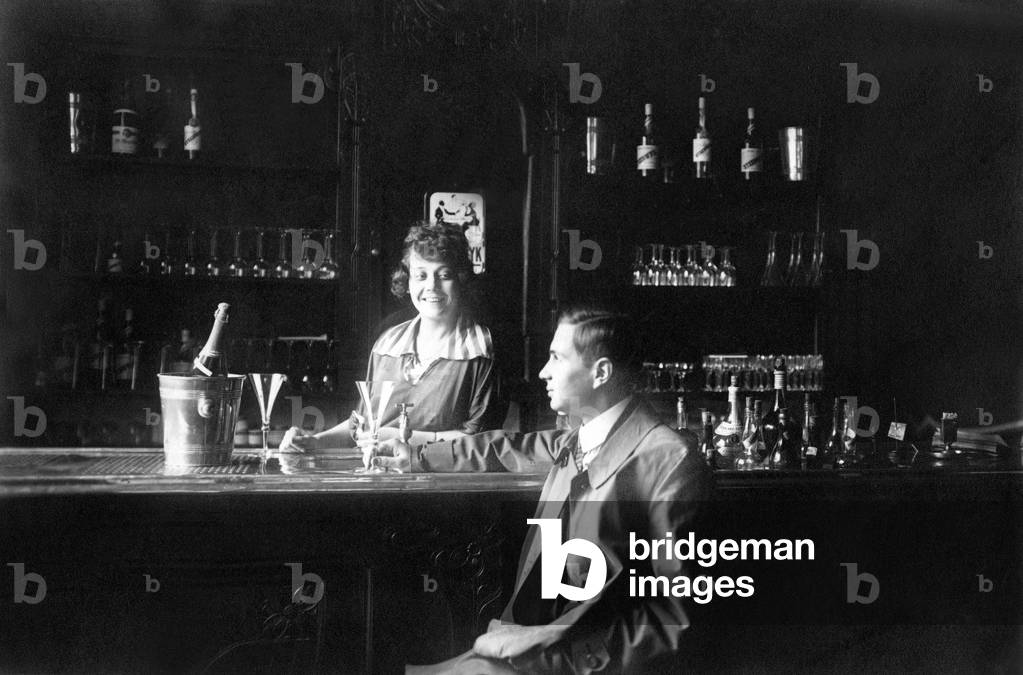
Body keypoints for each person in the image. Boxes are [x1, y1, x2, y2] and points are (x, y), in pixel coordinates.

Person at [375, 305, 714, 674]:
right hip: (537, 645)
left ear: (600, 373)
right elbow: (505, 448)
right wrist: (417, 455)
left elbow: (676, 618)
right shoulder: (578, 441)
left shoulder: (670, 460)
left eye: (557, 357)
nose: (543, 372)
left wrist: (549, 642)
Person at [280, 222, 504, 453]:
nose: (431, 286)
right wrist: (315, 440)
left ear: (461, 279)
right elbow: (362, 425)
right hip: (377, 471)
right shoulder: (388, 343)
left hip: (440, 476)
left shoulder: (481, 350)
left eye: (444, 275)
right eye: (421, 275)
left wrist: (402, 438)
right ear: (407, 282)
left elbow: (480, 441)